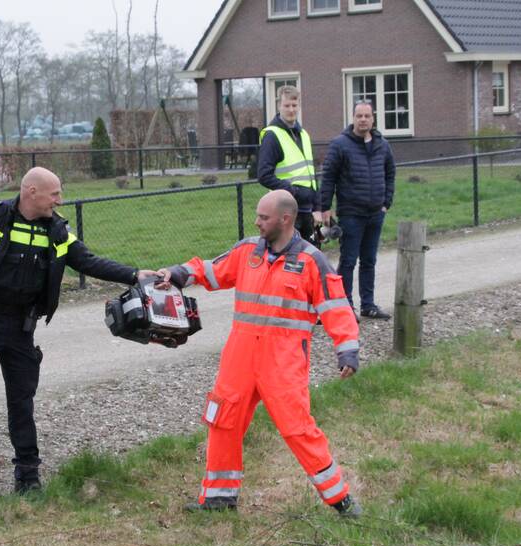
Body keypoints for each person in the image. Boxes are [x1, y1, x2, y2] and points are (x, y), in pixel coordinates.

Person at [0, 167, 157, 492]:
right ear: (31, 192)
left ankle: (28, 480)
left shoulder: (55, 230)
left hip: (20, 328)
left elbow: (87, 261)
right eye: (54, 194)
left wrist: (134, 275)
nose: (59, 200)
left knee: (22, 402)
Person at [155, 189, 364, 518]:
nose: (257, 222)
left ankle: (341, 501)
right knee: (222, 420)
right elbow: (212, 270)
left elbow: (337, 308)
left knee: (297, 429)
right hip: (239, 357)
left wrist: (347, 351)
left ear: (285, 219)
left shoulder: (311, 261)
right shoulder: (247, 250)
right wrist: (178, 273)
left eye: (263, 217)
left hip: (283, 362)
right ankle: (218, 500)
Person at [316, 100, 396, 320]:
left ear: (373, 118)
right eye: (359, 116)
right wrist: (325, 208)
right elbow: (329, 177)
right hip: (351, 213)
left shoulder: (382, 145)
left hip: (375, 213)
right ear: (353, 118)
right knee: (349, 261)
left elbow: (390, 173)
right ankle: (346, 305)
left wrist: (385, 203)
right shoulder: (340, 144)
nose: (363, 120)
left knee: (369, 260)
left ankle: (368, 305)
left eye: (367, 116)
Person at [257, 85, 321, 246]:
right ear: (279, 106)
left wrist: (317, 206)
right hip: (286, 210)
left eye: (294, 105)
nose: (291, 110)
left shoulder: (303, 135)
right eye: (287, 106)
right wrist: (291, 190)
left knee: (310, 257)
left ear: (299, 105)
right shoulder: (272, 135)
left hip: (307, 210)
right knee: (287, 258)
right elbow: (264, 175)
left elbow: (311, 175)